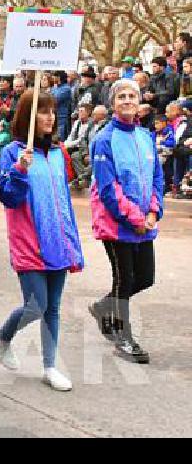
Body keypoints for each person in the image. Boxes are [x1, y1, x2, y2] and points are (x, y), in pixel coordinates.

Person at [0, 89, 84, 392]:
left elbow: (64, 201)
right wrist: (19, 169)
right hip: (29, 241)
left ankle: (50, 366)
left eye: (52, 111)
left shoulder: (58, 153)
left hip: (58, 239)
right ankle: (3, 336)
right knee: (36, 305)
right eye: (41, 112)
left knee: (53, 308)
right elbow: (8, 198)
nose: (50, 117)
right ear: (27, 118)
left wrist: (72, 242)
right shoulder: (12, 152)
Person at [88, 79, 163, 364]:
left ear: (140, 101)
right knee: (125, 278)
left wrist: (154, 211)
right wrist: (134, 218)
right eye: (121, 96)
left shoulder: (145, 136)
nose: (128, 100)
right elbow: (108, 189)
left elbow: (156, 176)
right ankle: (123, 336)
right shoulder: (104, 139)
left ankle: (104, 306)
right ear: (113, 103)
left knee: (145, 277)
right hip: (117, 223)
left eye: (132, 95)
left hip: (145, 221)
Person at [51, 71, 73, 140]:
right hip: (54, 117)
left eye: (55, 77)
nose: (53, 78)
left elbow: (55, 99)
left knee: (60, 139)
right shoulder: (54, 87)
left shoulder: (66, 89)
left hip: (62, 118)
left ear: (59, 78)